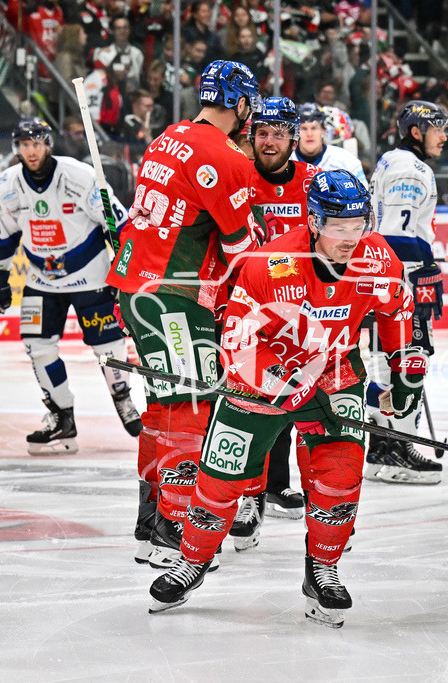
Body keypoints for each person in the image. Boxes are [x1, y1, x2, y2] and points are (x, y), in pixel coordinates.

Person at [148, 169, 418, 629]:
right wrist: (277, 378)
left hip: (334, 371)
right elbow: (235, 338)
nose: (350, 238)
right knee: (222, 477)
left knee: (339, 475)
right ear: (314, 221)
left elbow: (397, 310)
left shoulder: (378, 257)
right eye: (338, 227)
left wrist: (405, 370)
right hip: (263, 375)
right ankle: (192, 561)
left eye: (358, 226)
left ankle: (323, 569)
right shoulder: (270, 263)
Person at [104, 59, 265, 569]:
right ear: (240, 104)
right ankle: (175, 530)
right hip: (174, 296)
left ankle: (150, 524)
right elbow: (242, 248)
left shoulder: (167, 136)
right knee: (191, 406)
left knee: (162, 405)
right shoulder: (226, 156)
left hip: (136, 289)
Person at [0, 118, 142, 459]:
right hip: (41, 279)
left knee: (109, 346)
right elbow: (4, 235)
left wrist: (123, 259)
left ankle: (122, 398)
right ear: (17, 149)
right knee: (37, 347)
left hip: (91, 276)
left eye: (36, 144)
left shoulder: (80, 176)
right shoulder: (6, 185)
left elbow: (120, 222)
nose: (31, 151)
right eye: (24, 145)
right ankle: (61, 416)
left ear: (48, 144)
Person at [363, 100, 448, 485]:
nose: (445, 137)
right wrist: (426, 268)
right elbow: (396, 234)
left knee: (386, 360)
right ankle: (401, 447)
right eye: (438, 129)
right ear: (416, 132)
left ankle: (382, 445)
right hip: (402, 278)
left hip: (383, 276)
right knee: (411, 358)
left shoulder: (388, 160)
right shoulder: (411, 169)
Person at [243, 96, 321, 525]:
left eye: (278, 134)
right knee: (247, 400)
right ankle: (247, 491)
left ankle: (274, 484)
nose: (269, 142)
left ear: (293, 136)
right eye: (262, 133)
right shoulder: (236, 175)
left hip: (298, 308)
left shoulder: (314, 181)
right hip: (246, 303)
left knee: (290, 395)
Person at [292, 103, 368, 187]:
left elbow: (363, 194)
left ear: (323, 130)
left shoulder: (346, 160)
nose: (309, 134)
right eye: (304, 128)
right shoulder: (285, 160)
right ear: (296, 132)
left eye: (314, 128)